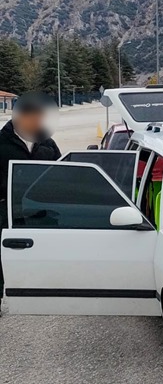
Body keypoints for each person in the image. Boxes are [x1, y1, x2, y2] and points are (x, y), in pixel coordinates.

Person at [0, 92, 61, 312]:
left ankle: (43, 290)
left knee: (44, 249)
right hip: (6, 208)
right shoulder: (2, 143)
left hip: (39, 207)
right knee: (3, 255)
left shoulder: (48, 143)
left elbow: (59, 174)